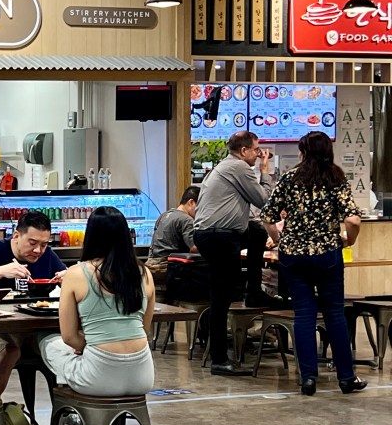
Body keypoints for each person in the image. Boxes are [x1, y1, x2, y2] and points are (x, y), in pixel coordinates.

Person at [39, 207, 154, 425]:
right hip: (142, 375)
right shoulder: (144, 273)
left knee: (46, 342)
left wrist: (87, 348)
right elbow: (144, 329)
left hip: (99, 377)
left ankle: (75, 421)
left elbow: (68, 336)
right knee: (77, 356)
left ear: (91, 236)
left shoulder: (77, 274)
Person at [261, 131, 366, 396]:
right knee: (334, 314)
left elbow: (267, 216)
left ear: (303, 152)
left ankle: (308, 378)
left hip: (294, 257)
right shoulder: (336, 178)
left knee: (304, 315)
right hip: (326, 255)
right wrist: (348, 241)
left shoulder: (289, 178)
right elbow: (353, 220)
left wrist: (280, 240)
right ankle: (346, 377)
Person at [193, 131, 273, 376]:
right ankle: (219, 359)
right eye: (256, 150)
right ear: (243, 151)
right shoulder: (239, 167)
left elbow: (239, 210)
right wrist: (265, 170)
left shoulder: (224, 167)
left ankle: (254, 291)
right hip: (219, 236)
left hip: (213, 234)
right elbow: (264, 200)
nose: (259, 154)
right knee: (222, 296)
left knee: (257, 233)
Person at [0, 211, 67, 396]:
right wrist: (1, 272)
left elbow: (68, 281)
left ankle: (65, 415)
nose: (38, 251)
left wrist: (69, 278)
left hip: (32, 328)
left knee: (63, 348)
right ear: (16, 236)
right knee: (11, 352)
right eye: (32, 243)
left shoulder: (47, 256)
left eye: (44, 244)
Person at [145, 185, 200, 285]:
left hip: (150, 265)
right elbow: (194, 248)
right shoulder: (187, 220)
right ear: (191, 202)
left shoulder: (164, 215)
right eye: (200, 207)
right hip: (166, 267)